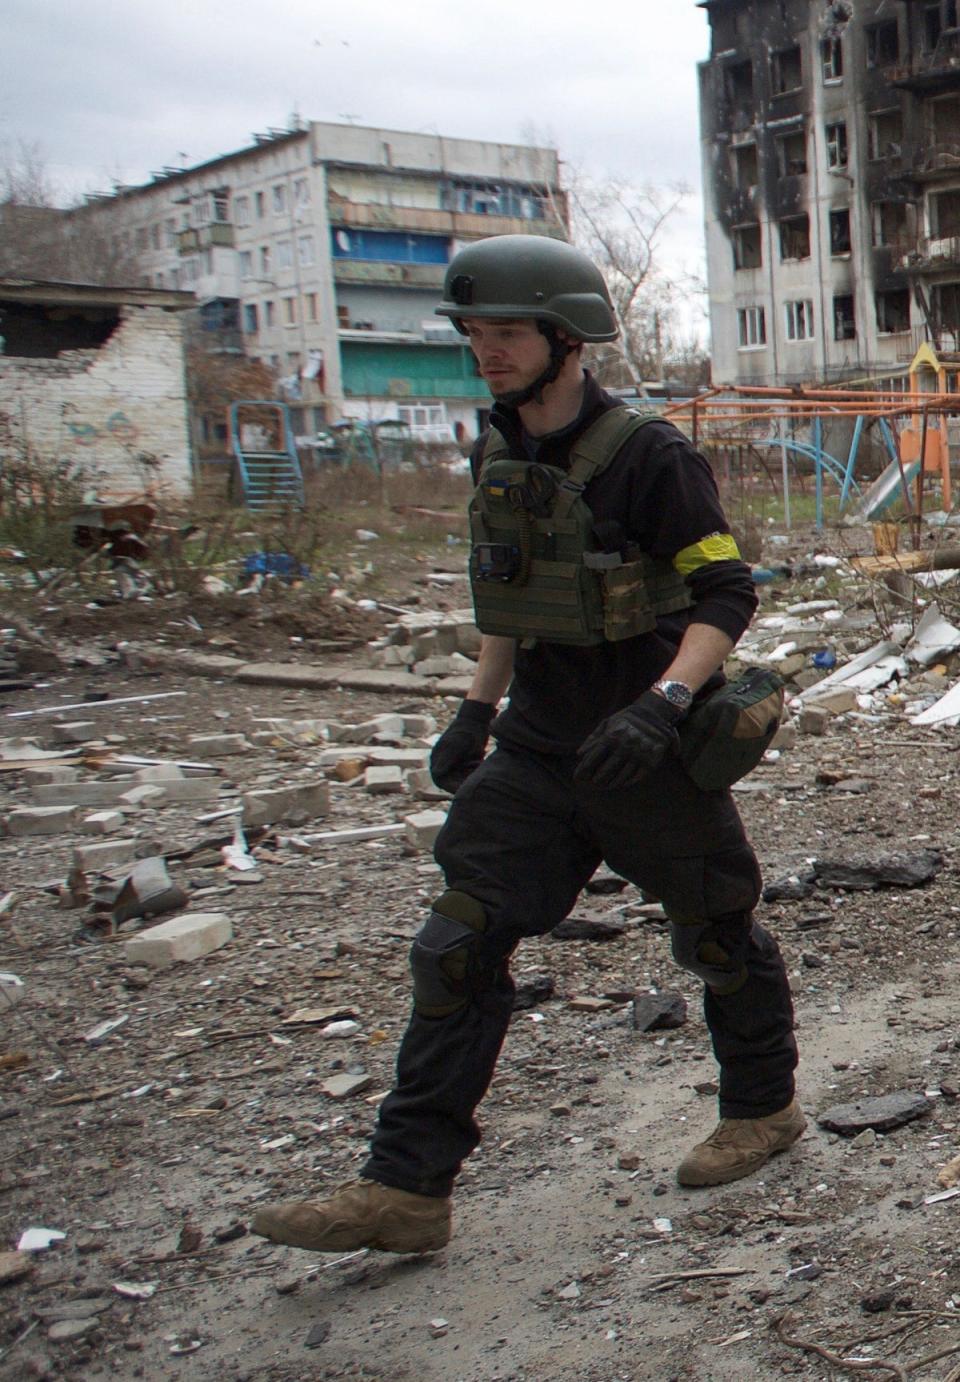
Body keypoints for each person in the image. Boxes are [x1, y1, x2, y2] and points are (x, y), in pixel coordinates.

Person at [252, 235, 803, 1257]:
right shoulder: (497, 447)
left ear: (565, 337)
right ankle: (406, 1186)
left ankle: (763, 1106)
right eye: (473, 334)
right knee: (457, 942)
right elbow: (507, 592)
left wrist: (663, 700)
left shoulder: (652, 456)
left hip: (652, 752)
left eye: (505, 333)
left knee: (720, 933)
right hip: (543, 751)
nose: (484, 351)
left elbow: (727, 590)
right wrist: (475, 707)